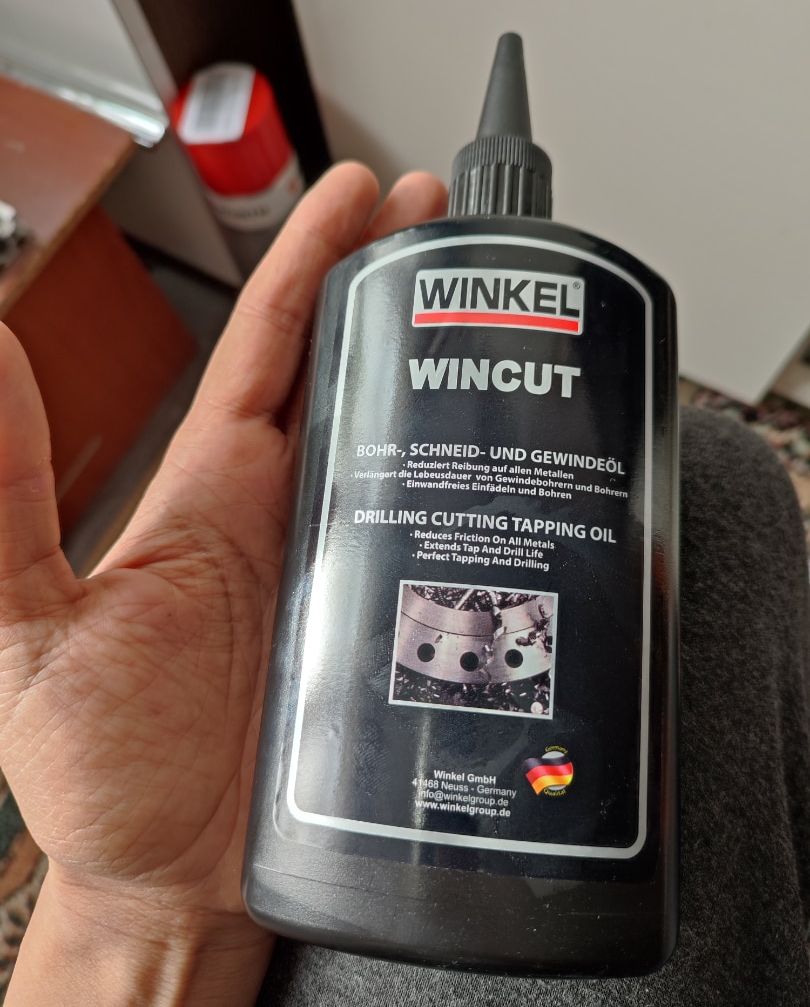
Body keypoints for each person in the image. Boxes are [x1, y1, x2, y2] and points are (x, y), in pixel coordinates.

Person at [0, 164, 808, 1006]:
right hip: (395, 850)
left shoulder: (615, 297)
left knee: (712, 474)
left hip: (525, 836)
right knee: (725, 468)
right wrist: (133, 907)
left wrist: (133, 919)